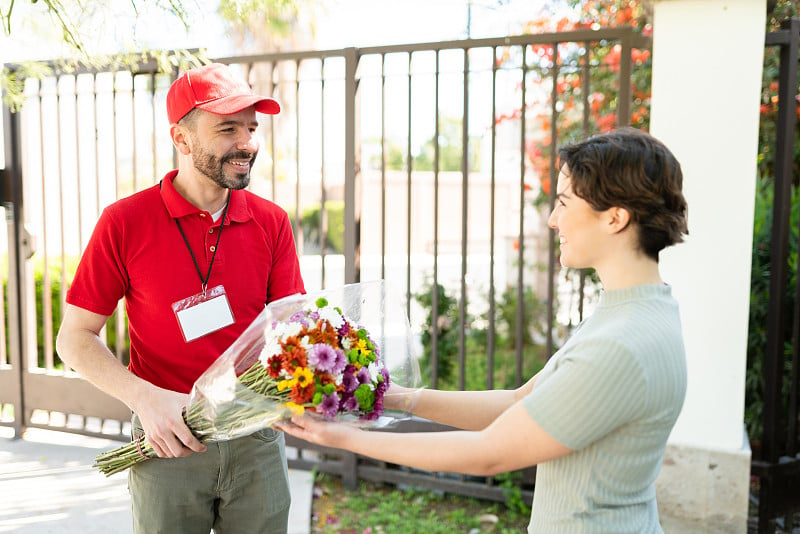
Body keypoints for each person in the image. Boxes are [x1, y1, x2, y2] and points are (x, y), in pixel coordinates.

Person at [276, 127, 689, 533]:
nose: (553, 219)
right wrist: (398, 397)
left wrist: (343, 437)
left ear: (615, 217)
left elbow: (489, 453)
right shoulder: (636, 311)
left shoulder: (619, 344)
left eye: (564, 202)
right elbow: (517, 403)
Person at [56, 62, 305, 534]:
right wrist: (145, 401)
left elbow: (290, 326)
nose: (247, 143)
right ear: (183, 138)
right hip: (168, 441)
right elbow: (75, 339)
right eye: (228, 128)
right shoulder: (124, 222)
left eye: (251, 128)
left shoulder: (272, 222)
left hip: (257, 438)